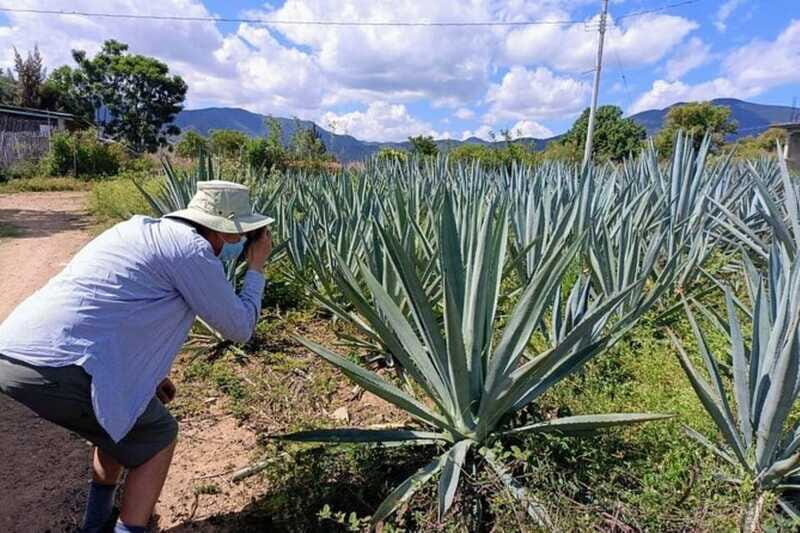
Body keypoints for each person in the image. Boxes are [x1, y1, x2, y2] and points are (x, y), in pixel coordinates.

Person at [0, 180, 273, 533]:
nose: (240, 243)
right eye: (241, 235)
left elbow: (113, 309)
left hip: (14, 352)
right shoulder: (191, 250)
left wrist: (149, 375)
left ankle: (95, 524)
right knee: (158, 435)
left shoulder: (133, 229)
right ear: (226, 231)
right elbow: (240, 327)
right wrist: (256, 268)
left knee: (121, 419)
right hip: (59, 366)